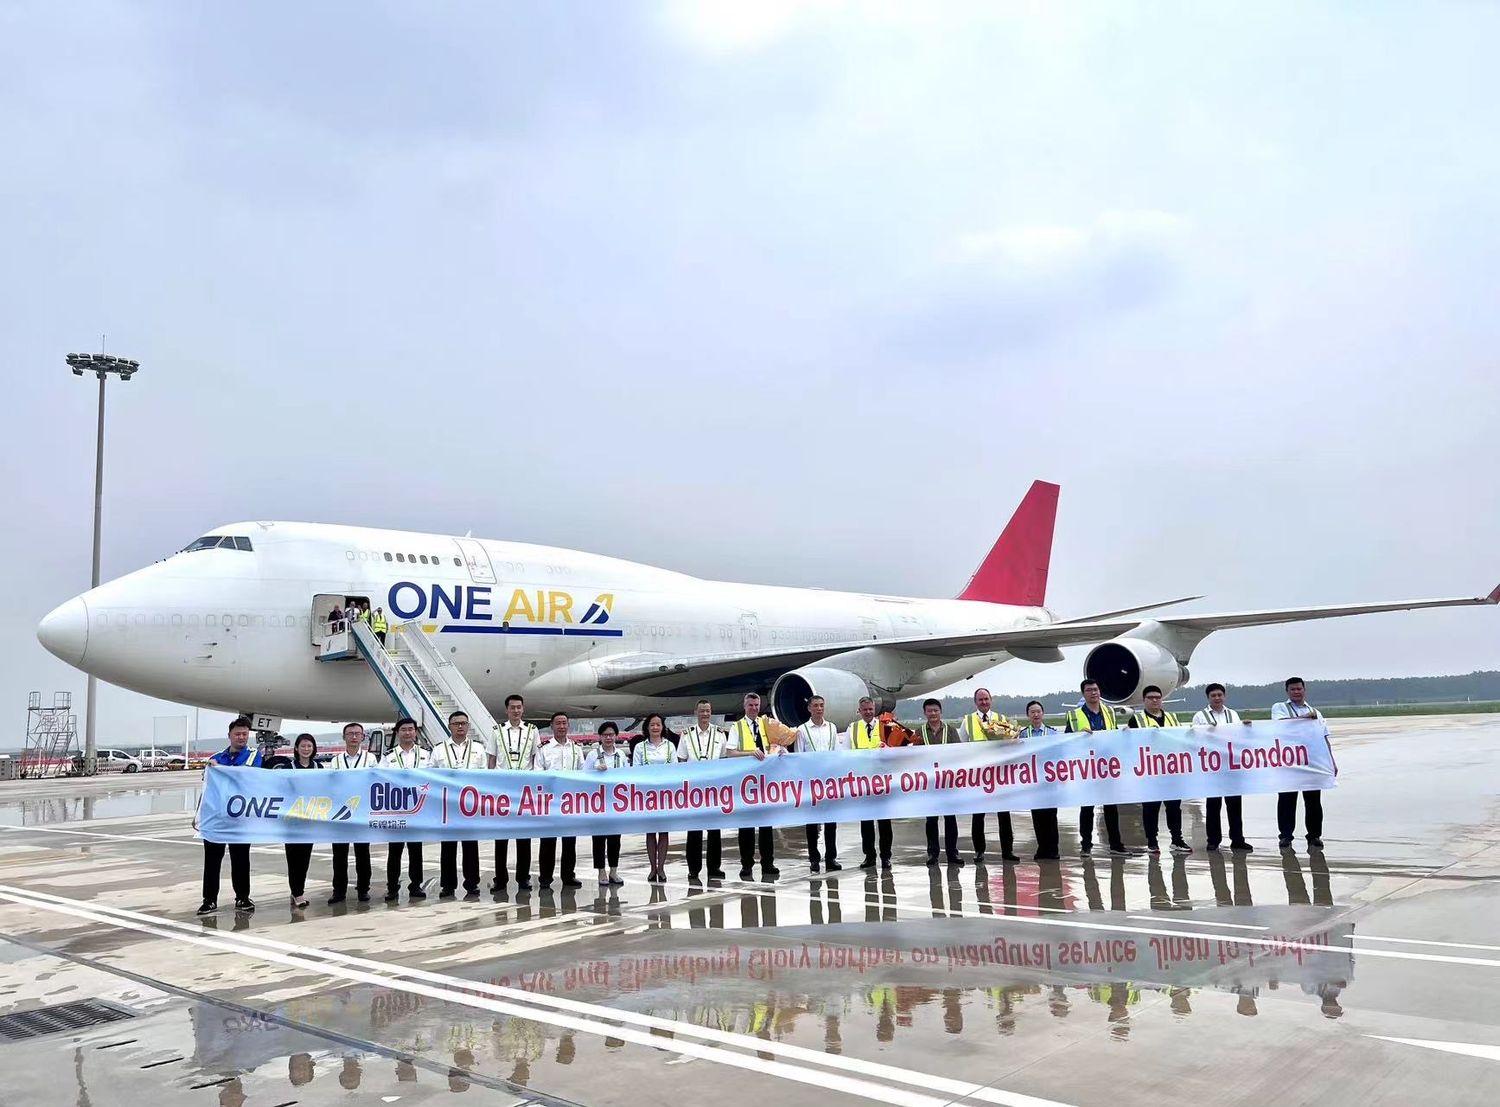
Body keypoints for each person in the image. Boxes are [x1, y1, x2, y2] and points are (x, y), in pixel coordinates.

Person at [196, 716, 263, 916]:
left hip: (240, 817)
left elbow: (247, 775)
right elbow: (207, 780)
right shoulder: (217, 757)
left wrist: (220, 770)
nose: (241, 737)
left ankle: (242, 897)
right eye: (238, 734)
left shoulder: (253, 754)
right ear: (229, 735)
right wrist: (212, 769)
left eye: (245, 734)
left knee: (241, 858)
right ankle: (209, 899)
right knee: (212, 860)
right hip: (216, 816)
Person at [1066, 679, 1135, 856]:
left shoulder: (1109, 712)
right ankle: (1086, 845)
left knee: (1111, 807)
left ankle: (1116, 844)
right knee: (1087, 808)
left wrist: (1124, 734)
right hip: (1086, 766)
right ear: (1083, 694)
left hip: (1106, 765)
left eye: (1096, 689)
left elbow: (1113, 733)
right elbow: (1066, 740)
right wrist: (1079, 735)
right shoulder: (1074, 715)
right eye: (1089, 690)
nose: (1093, 693)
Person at [726, 692, 782, 881]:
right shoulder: (737, 727)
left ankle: (768, 863)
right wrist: (750, 753)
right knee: (747, 827)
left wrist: (778, 750)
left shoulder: (766, 724)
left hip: (765, 782)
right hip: (746, 784)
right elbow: (730, 753)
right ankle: (746, 865)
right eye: (751, 705)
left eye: (757, 705)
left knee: (767, 826)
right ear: (744, 706)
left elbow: (775, 745)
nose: (754, 708)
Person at [432, 709, 487, 898]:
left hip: (470, 806)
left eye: (464, 723)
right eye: (456, 723)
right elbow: (431, 776)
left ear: (468, 726)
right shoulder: (439, 749)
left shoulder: (479, 749)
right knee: (448, 847)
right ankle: (448, 885)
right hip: (447, 805)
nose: (460, 727)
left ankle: (472, 883)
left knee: (471, 846)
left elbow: (485, 776)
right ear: (450, 726)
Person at [1129, 686, 1190, 855]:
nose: (1155, 700)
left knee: (1174, 807)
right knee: (1151, 808)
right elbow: (1131, 745)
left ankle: (1177, 839)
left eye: (1158, 697)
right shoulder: (1136, 720)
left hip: (1171, 770)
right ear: (1144, 700)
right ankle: (1152, 841)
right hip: (1150, 772)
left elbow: (1182, 738)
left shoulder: (1172, 718)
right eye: (1151, 697)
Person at [1192, 683, 1253, 852]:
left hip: (1231, 766)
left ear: (1224, 696)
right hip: (1212, 767)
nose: (1217, 698)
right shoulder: (1200, 716)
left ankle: (1237, 839)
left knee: (1234, 805)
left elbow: (1239, 736)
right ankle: (1213, 840)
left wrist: (1245, 727)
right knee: (1213, 805)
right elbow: (1195, 739)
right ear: (1208, 698)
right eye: (1213, 695)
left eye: (1220, 695)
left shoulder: (1232, 714)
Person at [963, 687, 1021, 863]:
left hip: (999, 774)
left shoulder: (1001, 719)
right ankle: (979, 850)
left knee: (1004, 814)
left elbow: (1012, 741)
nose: (984, 703)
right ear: (975, 702)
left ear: (991, 700)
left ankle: (1007, 851)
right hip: (979, 775)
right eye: (980, 700)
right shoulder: (968, 721)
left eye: (986, 699)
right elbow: (961, 746)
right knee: (978, 815)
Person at [1271, 677, 1327, 850]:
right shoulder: (1280, 708)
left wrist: (1330, 761)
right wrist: (1304, 718)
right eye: (1293, 689)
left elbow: (1324, 737)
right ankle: (1286, 835)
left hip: (1311, 761)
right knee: (1287, 799)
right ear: (1287, 691)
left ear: (1304, 690)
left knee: (1313, 801)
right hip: (1288, 761)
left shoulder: (1314, 711)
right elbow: (1279, 726)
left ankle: (1314, 835)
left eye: (1299, 689)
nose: (1296, 692)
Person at [491, 694, 538, 892]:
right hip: (502, 789)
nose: (516, 711)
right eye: (512, 707)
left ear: (523, 709)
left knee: (523, 837)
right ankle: (500, 879)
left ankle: (523, 878)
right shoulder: (497, 731)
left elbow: (536, 758)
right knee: (501, 838)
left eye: (519, 707)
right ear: (507, 710)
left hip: (524, 789)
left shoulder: (532, 731)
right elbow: (491, 760)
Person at [793, 695, 845, 873]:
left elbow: (837, 753)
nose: (819, 709)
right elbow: (799, 756)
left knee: (831, 822)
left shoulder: (831, 727)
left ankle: (831, 857)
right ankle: (814, 858)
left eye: (821, 705)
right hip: (811, 782)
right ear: (809, 708)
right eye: (815, 706)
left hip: (829, 781)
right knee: (812, 823)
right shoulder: (802, 730)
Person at [678, 700, 729, 881]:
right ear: (696, 712)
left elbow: (724, 760)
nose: (705, 714)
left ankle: (714, 867)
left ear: (711, 712)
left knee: (714, 831)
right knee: (694, 831)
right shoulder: (686, 735)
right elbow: (681, 761)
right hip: (694, 790)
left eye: (707, 711)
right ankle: (694, 868)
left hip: (714, 789)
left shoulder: (720, 734)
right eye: (702, 711)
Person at [327, 722, 378, 903]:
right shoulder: (336, 760)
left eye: (358, 733)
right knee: (339, 854)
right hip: (341, 812)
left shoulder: (370, 759)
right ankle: (338, 890)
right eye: (350, 733)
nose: (354, 737)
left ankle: (363, 888)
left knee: (362, 853)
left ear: (363, 737)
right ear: (344, 737)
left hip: (362, 811)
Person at [535, 712, 584, 890]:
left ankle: (568, 876)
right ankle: (545, 878)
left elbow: (581, 772)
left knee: (569, 842)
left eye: (564, 723)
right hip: (550, 801)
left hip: (570, 802)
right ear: (552, 726)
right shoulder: (543, 748)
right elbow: (538, 772)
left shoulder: (576, 748)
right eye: (558, 723)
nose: (562, 726)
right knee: (548, 842)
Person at [384, 717, 429, 902]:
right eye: (404, 729)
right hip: (397, 810)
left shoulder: (426, 755)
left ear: (415, 732)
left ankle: (416, 885)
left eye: (411, 729)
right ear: (397, 732)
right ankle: (392, 887)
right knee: (394, 851)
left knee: (415, 850)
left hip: (418, 810)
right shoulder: (389, 757)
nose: (408, 732)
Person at [916, 699, 965, 867]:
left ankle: (952, 852)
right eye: (929, 711)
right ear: (925, 713)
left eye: (936, 710)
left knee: (950, 819)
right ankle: (932, 853)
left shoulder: (950, 731)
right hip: (929, 784)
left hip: (948, 783)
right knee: (931, 820)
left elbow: (960, 753)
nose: (933, 714)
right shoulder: (919, 732)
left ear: (940, 712)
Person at [849, 697, 892, 871]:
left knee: (884, 823)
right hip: (863, 783)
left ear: (874, 709)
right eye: (864, 709)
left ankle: (886, 856)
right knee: (866, 823)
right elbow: (844, 754)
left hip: (882, 782)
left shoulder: (886, 726)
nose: (868, 712)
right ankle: (869, 855)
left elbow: (898, 750)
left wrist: (887, 749)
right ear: (859, 710)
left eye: (870, 709)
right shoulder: (853, 729)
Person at [632, 714, 676, 884]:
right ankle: (652, 868)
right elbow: (635, 770)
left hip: (665, 795)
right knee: (650, 832)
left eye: (658, 725)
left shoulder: (670, 746)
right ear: (647, 728)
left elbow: (674, 768)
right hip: (647, 796)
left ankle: (662, 868)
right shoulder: (640, 747)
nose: (655, 728)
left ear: (662, 727)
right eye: (652, 725)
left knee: (664, 832)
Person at [1017, 701, 1060, 860]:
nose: (1035, 715)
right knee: (1037, 816)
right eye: (1032, 712)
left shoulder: (1052, 733)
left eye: (1038, 711)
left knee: (1051, 816)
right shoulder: (1022, 734)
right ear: (1028, 715)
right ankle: (1042, 848)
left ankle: (1053, 849)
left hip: (1049, 781)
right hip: (1033, 781)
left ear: (1043, 713)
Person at [283, 733, 320, 908]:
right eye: (303, 746)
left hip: (310, 820)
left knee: (304, 858)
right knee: (293, 858)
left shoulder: (318, 767)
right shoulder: (287, 767)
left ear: (313, 749)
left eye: (309, 746)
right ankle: (297, 893)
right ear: (296, 748)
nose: (306, 749)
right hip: (292, 820)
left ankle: (298, 890)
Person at [591, 723, 627, 885]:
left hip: (616, 803)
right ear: (600, 737)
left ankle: (613, 870)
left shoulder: (621, 755)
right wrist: (595, 772)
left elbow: (628, 776)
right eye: (605, 735)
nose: (608, 737)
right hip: (597, 804)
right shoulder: (593, 755)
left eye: (611, 734)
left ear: (616, 736)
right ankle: (601, 871)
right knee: (599, 839)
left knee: (615, 839)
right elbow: (583, 776)